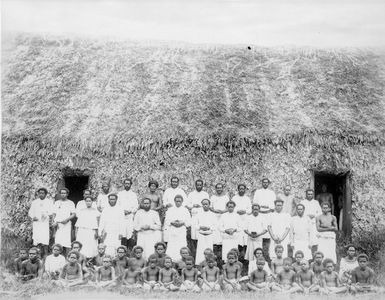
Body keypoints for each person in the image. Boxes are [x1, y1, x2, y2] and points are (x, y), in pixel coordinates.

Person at [164, 195, 191, 261]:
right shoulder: (170, 210)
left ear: (182, 201)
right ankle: (171, 260)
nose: (178, 202)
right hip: (173, 230)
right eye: (176, 201)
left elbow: (189, 222)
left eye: (179, 201)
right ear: (174, 201)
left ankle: (182, 260)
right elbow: (167, 220)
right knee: (172, 246)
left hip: (181, 230)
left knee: (181, 245)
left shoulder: (185, 210)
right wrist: (173, 222)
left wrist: (182, 223)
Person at [28, 187, 54, 257]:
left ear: (46, 194)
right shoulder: (35, 202)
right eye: (39, 193)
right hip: (37, 223)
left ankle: (45, 254)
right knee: (37, 239)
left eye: (42, 193)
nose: (41, 194)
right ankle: (38, 255)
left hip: (44, 223)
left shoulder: (49, 202)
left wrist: (46, 215)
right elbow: (30, 212)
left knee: (45, 239)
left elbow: (51, 212)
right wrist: (33, 217)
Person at [187, 179, 209, 247]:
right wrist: (193, 205)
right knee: (194, 233)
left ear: (202, 185)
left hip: (202, 215)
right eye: (197, 185)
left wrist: (201, 205)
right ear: (195, 185)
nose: (199, 186)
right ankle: (194, 249)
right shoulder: (191, 194)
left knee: (201, 232)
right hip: (194, 215)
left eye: (200, 185)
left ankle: (202, 247)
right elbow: (188, 204)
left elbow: (207, 204)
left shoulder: (205, 194)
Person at [52, 188, 76, 254]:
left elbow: (73, 214)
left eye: (64, 193)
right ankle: (58, 256)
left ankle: (68, 257)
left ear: (67, 194)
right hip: (58, 225)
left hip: (66, 224)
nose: (63, 194)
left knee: (67, 242)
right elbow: (54, 214)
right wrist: (54, 221)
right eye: (62, 193)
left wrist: (67, 219)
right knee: (58, 241)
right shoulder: (57, 203)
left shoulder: (70, 203)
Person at [117, 178, 139, 249]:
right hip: (122, 217)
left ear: (131, 185)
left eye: (128, 183)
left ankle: (130, 250)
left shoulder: (133, 194)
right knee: (122, 233)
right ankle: (122, 249)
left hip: (130, 217)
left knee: (130, 234)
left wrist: (130, 211)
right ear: (124, 184)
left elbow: (136, 206)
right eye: (125, 183)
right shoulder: (120, 194)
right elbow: (117, 205)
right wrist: (122, 211)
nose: (127, 185)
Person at [195, 199, 216, 265]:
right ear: (202, 205)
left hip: (209, 235)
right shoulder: (198, 214)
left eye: (206, 204)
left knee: (209, 250)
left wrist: (209, 227)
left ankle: (209, 264)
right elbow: (195, 224)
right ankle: (199, 264)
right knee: (200, 250)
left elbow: (215, 225)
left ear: (209, 205)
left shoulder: (212, 214)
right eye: (204, 204)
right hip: (201, 235)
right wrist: (200, 227)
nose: (205, 205)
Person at [231, 184, 252, 248]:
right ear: (238, 189)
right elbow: (231, 207)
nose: (241, 190)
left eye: (243, 189)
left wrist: (245, 211)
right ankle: (237, 248)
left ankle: (245, 249)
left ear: (245, 190)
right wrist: (237, 211)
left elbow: (250, 209)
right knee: (238, 233)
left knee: (245, 234)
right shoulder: (234, 198)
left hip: (245, 218)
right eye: (240, 189)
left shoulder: (247, 198)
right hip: (237, 218)